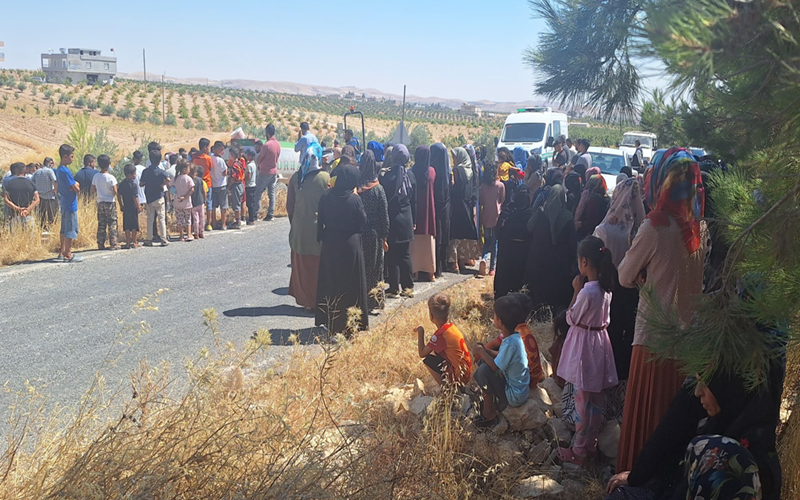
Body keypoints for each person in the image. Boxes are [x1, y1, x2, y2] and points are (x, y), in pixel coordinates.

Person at [616, 148, 707, 473]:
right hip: (685, 344)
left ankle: (633, 483)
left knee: (645, 420)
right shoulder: (697, 230)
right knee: (670, 426)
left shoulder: (655, 226)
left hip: (652, 338)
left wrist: (643, 274)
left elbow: (625, 275)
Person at [606, 367, 783, 500]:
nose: (698, 393)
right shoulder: (717, 423)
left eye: (705, 385)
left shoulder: (750, 455)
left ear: (726, 390)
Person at [556, 236, 619, 465]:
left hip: (584, 348)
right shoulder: (606, 290)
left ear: (583, 261)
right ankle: (591, 445)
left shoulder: (586, 292)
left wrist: (575, 291)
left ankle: (579, 451)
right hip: (600, 346)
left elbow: (571, 317)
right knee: (595, 400)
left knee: (581, 399)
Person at [593, 177, 646, 382]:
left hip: (608, 285)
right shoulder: (643, 228)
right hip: (634, 290)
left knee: (609, 332)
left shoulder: (605, 229)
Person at [315, 164, 369, 335]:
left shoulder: (326, 196)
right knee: (351, 283)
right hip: (349, 244)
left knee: (331, 281)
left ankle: (331, 321)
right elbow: (363, 222)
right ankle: (351, 321)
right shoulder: (354, 200)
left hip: (330, 243)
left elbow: (320, 219)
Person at [472, 293, 532, 427]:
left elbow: (495, 367)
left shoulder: (510, 343)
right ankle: (488, 396)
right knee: (484, 361)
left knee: (484, 370)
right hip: (519, 389)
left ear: (499, 321)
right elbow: (500, 356)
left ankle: (489, 414)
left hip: (514, 396)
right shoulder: (513, 338)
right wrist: (485, 350)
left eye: (494, 315)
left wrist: (481, 351)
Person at [287, 143, 329, 311]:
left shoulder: (296, 178)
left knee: (302, 269)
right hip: (319, 232)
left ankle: (306, 301)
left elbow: (290, 207)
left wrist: (296, 224)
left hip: (299, 231)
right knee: (317, 268)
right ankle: (317, 302)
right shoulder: (326, 178)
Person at [525, 184, 577, 317]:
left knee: (540, 292)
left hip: (539, 260)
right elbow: (572, 244)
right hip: (560, 264)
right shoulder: (568, 217)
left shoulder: (541, 212)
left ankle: (539, 314)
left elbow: (529, 228)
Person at [380, 144, 417, 298]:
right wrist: (414, 221)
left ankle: (394, 288)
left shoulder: (386, 176)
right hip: (407, 219)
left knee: (392, 255)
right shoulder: (411, 176)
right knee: (405, 254)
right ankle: (408, 287)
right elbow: (414, 201)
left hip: (392, 218)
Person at [416, 293, 473, 387]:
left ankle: (446, 389)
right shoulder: (451, 327)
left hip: (460, 378)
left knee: (428, 360)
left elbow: (422, 353)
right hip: (467, 373)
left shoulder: (440, 335)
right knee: (437, 353)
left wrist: (420, 332)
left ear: (431, 315)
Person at [357, 150, 390, 312]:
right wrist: (384, 236)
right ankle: (375, 301)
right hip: (374, 234)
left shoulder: (356, 187)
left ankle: (360, 300)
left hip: (358, 233)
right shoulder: (378, 189)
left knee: (360, 267)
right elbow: (384, 215)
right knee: (376, 268)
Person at [494, 186, 533, 299]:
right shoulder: (530, 214)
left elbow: (497, 232)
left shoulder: (507, 211)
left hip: (506, 251)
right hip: (522, 254)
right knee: (519, 282)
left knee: (504, 282)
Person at [448, 147, 480, 273]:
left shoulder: (456, 170)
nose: (453, 159)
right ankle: (462, 262)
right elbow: (474, 190)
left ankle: (454, 263)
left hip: (456, 206)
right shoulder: (471, 171)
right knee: (463, 235)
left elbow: (452, 186)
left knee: (454, 235)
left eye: (454, 156)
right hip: (467, 206)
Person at [410, 145, 437, 282]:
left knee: (415, 243)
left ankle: (415, 272)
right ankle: (430, 272)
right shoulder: (432, 171)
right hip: (428, 209)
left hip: (416, 210)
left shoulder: (412, 171)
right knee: (428, 242)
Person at [55, 144, 82, 262]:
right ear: (65, 157)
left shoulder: (58, 170)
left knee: (64, 228)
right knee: (71, 228)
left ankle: (62, 251)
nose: (73, 159)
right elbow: (76, 188)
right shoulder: (66, 171)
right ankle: (68, 254)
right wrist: (76, 185)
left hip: (64, 201)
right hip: (71, 203)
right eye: (71, 156)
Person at [478, 162, 505, 276]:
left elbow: (482, 201)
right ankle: (492, 268)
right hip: (496, 217)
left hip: (486, 216)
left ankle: (484, 258)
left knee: (487, 241)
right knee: (495, 243)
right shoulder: (500, 185)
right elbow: (502, 199)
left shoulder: (482, 186)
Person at [140, 149, 170, 247]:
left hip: (149, 197)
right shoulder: (161, 172)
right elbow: (168, 180)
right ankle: (163, 239)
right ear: (159, 160)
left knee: (150, 218)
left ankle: (149, 239)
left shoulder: (145, 171)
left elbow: (141, 184)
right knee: (161, 218)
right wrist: (162, 184)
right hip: (159, 196)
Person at [430, 143, 451, 278]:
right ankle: (442, 266)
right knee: (443, 236)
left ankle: (436, 267)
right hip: (446, 208)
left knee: (437, 237)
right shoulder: (448, 172)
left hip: (435, 207)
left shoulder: (432, 171)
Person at [90, 154, 119, 250]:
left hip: (100, 202)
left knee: (101, 223)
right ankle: (113, 243)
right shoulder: (111, 177)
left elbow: (92, 190)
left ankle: (100, 243)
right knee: (112, 223)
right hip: (110, 202)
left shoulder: (96, 176)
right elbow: (115, 191)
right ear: (108, 164)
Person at [256, 123, 281, 221]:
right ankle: (270, 214)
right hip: (274, 171)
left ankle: (255, 214)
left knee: (258, 192)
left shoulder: (267, 145)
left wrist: (258, 164)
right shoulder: (278, 144)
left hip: (265, 172)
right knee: (271, 193)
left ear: (267, 132)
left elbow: (260, 158)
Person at [3, 162, 39, 229]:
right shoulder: (31, 183)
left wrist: (18, 209)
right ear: (25, 170)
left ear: (15, 171)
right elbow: (37, 199)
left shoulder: (9, 183)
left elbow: (6, 199)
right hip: (28, 214)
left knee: (14, 236)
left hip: (13, 215)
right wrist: (28, 209)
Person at [576, 174, 610, 241]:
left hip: (591, 234)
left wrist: (580, 224)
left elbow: (591, 222)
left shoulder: (593, 200)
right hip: (603, 232)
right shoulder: (607, 198)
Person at [192, 138, 214, 232]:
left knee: (195, 203)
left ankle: (196, 224)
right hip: (207, 182)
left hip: (196, 182)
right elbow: (210, 168)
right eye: (208, 147)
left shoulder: (194, 157)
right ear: (205, 147)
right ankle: (208, 224)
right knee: (208, 203)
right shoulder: (208, 158)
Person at [117, 163, 141, 249]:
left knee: (127, 225)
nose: (135, 175)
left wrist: (121, 204)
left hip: (126, 206)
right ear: (130, 175)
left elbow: (118, 195)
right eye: (134, 173)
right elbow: (135, 197)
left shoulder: (122, 184)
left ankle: (127, 242)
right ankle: (134, 242)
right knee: (134, 225)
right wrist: (139, 206)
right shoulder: (133, 185)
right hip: (133, 206)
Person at [171, 160, 195, 242]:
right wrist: (185, 197)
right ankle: (189, 234)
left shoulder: (176, 178)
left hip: (177, 202)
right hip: (187, 203)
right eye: (188, 168)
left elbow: (169, 185)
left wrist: (174, 192)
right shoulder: (188, 178)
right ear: (184, 169)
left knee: (180, 219)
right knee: (188, 219)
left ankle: (181, 236)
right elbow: (192, 189)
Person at [32, 157, 58, 227]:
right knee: (51, 214)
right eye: (52, 163)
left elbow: (31, 181)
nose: (53, 165)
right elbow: (55, 181)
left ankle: (42, 228)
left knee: (41, 215)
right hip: (49, 195)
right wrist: (55, 190)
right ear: (48, 163)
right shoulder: (49, 171)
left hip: (40, 196)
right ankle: (51, 228)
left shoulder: (37, 171)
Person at [209, 141, 228, 231]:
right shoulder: (221, 160)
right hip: (222, 185)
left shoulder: (210, 159)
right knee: (223, 206)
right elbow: (225, 172)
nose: (223, 151)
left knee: (214, 205)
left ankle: (214, 222)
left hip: (213, 184)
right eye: (221, 150)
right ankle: (223, 224)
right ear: (216, 150)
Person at [226, 144, 245, 230]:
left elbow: (233, 178)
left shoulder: (234, 166)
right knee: (239, 202)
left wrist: (229, 186)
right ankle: (239, 219)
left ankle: (238, 221)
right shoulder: (240, 163)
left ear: (232, 155)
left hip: (236, 185)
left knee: (236, 204)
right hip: (241, 184)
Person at [191, 166, 207, 240]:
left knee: (195, 218)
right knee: (202, 217)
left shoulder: (191, 180)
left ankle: (196, 233)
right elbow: (204, 191)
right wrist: (205, 199)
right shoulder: (200, 180)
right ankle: (201, 232)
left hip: (193, 202)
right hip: (201, 201)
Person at [244, 148, 258, 225]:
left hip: (249, 185)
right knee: (252, 202)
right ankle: (253, 217)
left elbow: (248, 177)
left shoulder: (249, 166)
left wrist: (243, 178)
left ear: (249, 155)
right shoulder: (254, 164)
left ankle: (251, 218)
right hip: (253, 185)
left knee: (249, 204)